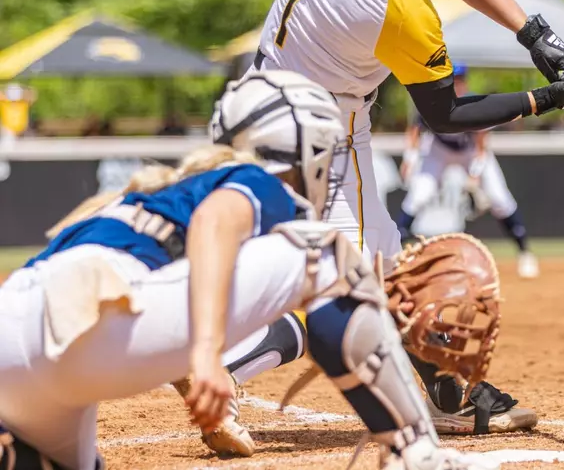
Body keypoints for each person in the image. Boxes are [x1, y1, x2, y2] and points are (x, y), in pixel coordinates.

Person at [241, 0, 564, 436]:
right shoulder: (398, 7)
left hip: (263, 105)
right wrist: (542, 99)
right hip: (319, 134)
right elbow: (447, 115)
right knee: (357, 288)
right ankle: (222, 370)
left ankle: (446, 392)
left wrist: (530, 31)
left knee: (376, 268)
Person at [0, 70, 498, 470]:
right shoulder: (255, 181)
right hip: (85, 325)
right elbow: (218, 223)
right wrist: (206, 353)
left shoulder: (154, 193)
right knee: (327, 253)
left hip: (18, 341)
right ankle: (416, 451)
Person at [397, 64, 538, 279]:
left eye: (460, 79)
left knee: (500, 199)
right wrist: (410, 158)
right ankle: (395, 254)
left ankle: (525, 253)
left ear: (466, 82)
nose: (457, 84)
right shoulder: (432, 100)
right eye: (453, 79)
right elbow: (415, 130)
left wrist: (474, 174)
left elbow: (481, 146)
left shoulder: (474, 102)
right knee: (419, 195)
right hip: (439, 150)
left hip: (470, 152)